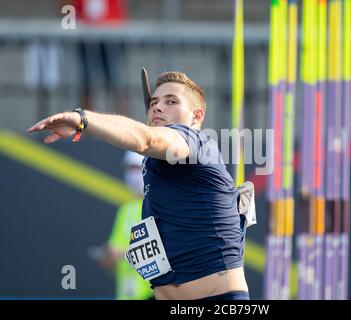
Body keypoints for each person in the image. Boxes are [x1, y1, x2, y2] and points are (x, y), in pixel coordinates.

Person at [28, 71, 250, 300]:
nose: (158, 107)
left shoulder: (196, 142)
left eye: (171, 101)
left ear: (196, 117)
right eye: (154, 102)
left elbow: (146, 139)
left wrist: (82, 119)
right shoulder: (157, 167)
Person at [89, 151, 154, 300]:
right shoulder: (126, 209)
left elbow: (164, 253)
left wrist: (122, 254)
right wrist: (109, 257)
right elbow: (115, 254)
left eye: (137, 169)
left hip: (152, 293)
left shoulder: (159, 207)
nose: (133, 175)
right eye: (129, 170)